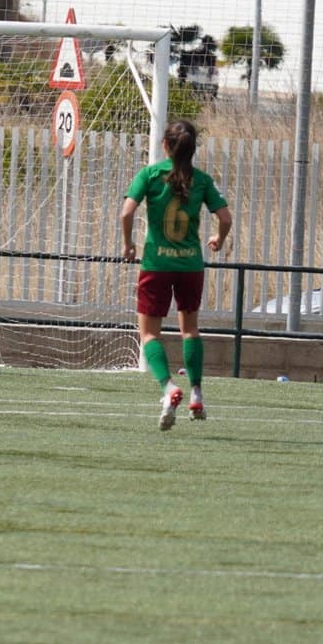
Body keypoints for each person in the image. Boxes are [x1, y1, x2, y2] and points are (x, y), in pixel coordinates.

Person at [119, 120, 232, 430]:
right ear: (193, 150)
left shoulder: (150, 174)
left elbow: (126, 212)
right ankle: (196, 393)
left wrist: (129, 245)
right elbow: (225, 217)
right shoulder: (202, 180)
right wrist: (219, 240)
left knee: (150, 335)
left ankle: (169, 389)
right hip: (190, 265)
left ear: (165, 146)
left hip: (156, 264)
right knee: (190, 329)